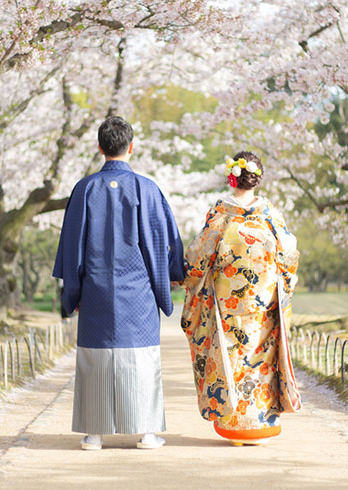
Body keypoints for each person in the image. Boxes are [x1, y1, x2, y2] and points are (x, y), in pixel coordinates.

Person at [52, 116, 185, 450]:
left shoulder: (84, 189)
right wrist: (171, 276)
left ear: (100, 148)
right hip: (138, 292)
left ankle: (94, 434)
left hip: (96, 290)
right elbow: (162, 238)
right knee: (140, 359)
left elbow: (72, 246)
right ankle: (146, 432)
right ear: (132, 146)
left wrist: (74, 291)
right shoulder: (147, 188)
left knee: (95, 358)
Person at [180, 151, 302, 446]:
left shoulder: (221, 215)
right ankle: (262, 426)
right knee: (263, 363)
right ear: (257, 179)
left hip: (227, 307)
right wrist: (282, 282)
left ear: (232, 177)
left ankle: (236, 427)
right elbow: (289, 255)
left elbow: (198, 258)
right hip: (264, 307)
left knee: (231, 360)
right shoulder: (271, 216)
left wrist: (191, 279)